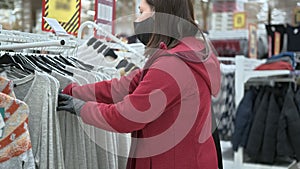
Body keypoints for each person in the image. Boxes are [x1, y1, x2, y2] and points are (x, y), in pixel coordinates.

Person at [57, 0, 221, 168]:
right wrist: (72, 91)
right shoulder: (182, 55)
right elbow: (122, 87)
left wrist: (80, 107)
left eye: (142, 12)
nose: (138, 19)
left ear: (158, 16)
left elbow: (127, 116)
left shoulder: (173, 65)